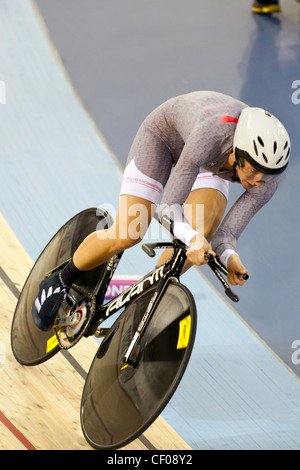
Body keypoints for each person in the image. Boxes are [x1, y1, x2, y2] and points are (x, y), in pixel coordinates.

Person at [32, 91, 291, 332]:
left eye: (266, 175)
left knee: (204, 231)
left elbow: (226, 235)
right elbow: (167, 209)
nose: (258, 180)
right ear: (239, 153)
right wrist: (192, 239)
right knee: (129, 232)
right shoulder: (211, 135)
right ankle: (61, 281)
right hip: (165, 138)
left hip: (206, 163)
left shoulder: (267, 178)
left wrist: (230, 258)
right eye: (254, 170)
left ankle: (147, 297)